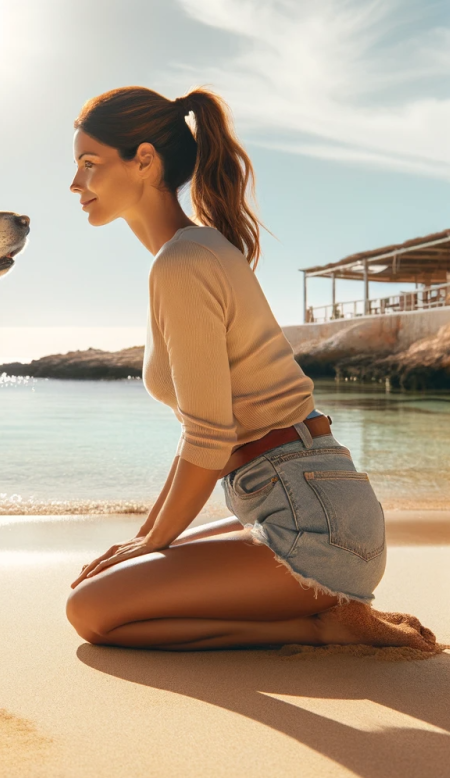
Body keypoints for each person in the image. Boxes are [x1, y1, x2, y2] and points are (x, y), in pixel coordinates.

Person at [64, 86, 393, 651]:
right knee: (111, 581)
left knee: (91, 611)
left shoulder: (184, 261)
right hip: (301, 502)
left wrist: (152, 542)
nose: (76, 184)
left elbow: (209, 437)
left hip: (317, 524)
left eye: (89, 165)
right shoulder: (190, 252)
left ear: (144, 160)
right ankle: (324, 615)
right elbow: (204, 431)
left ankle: (322, 628)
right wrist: (146, 537)